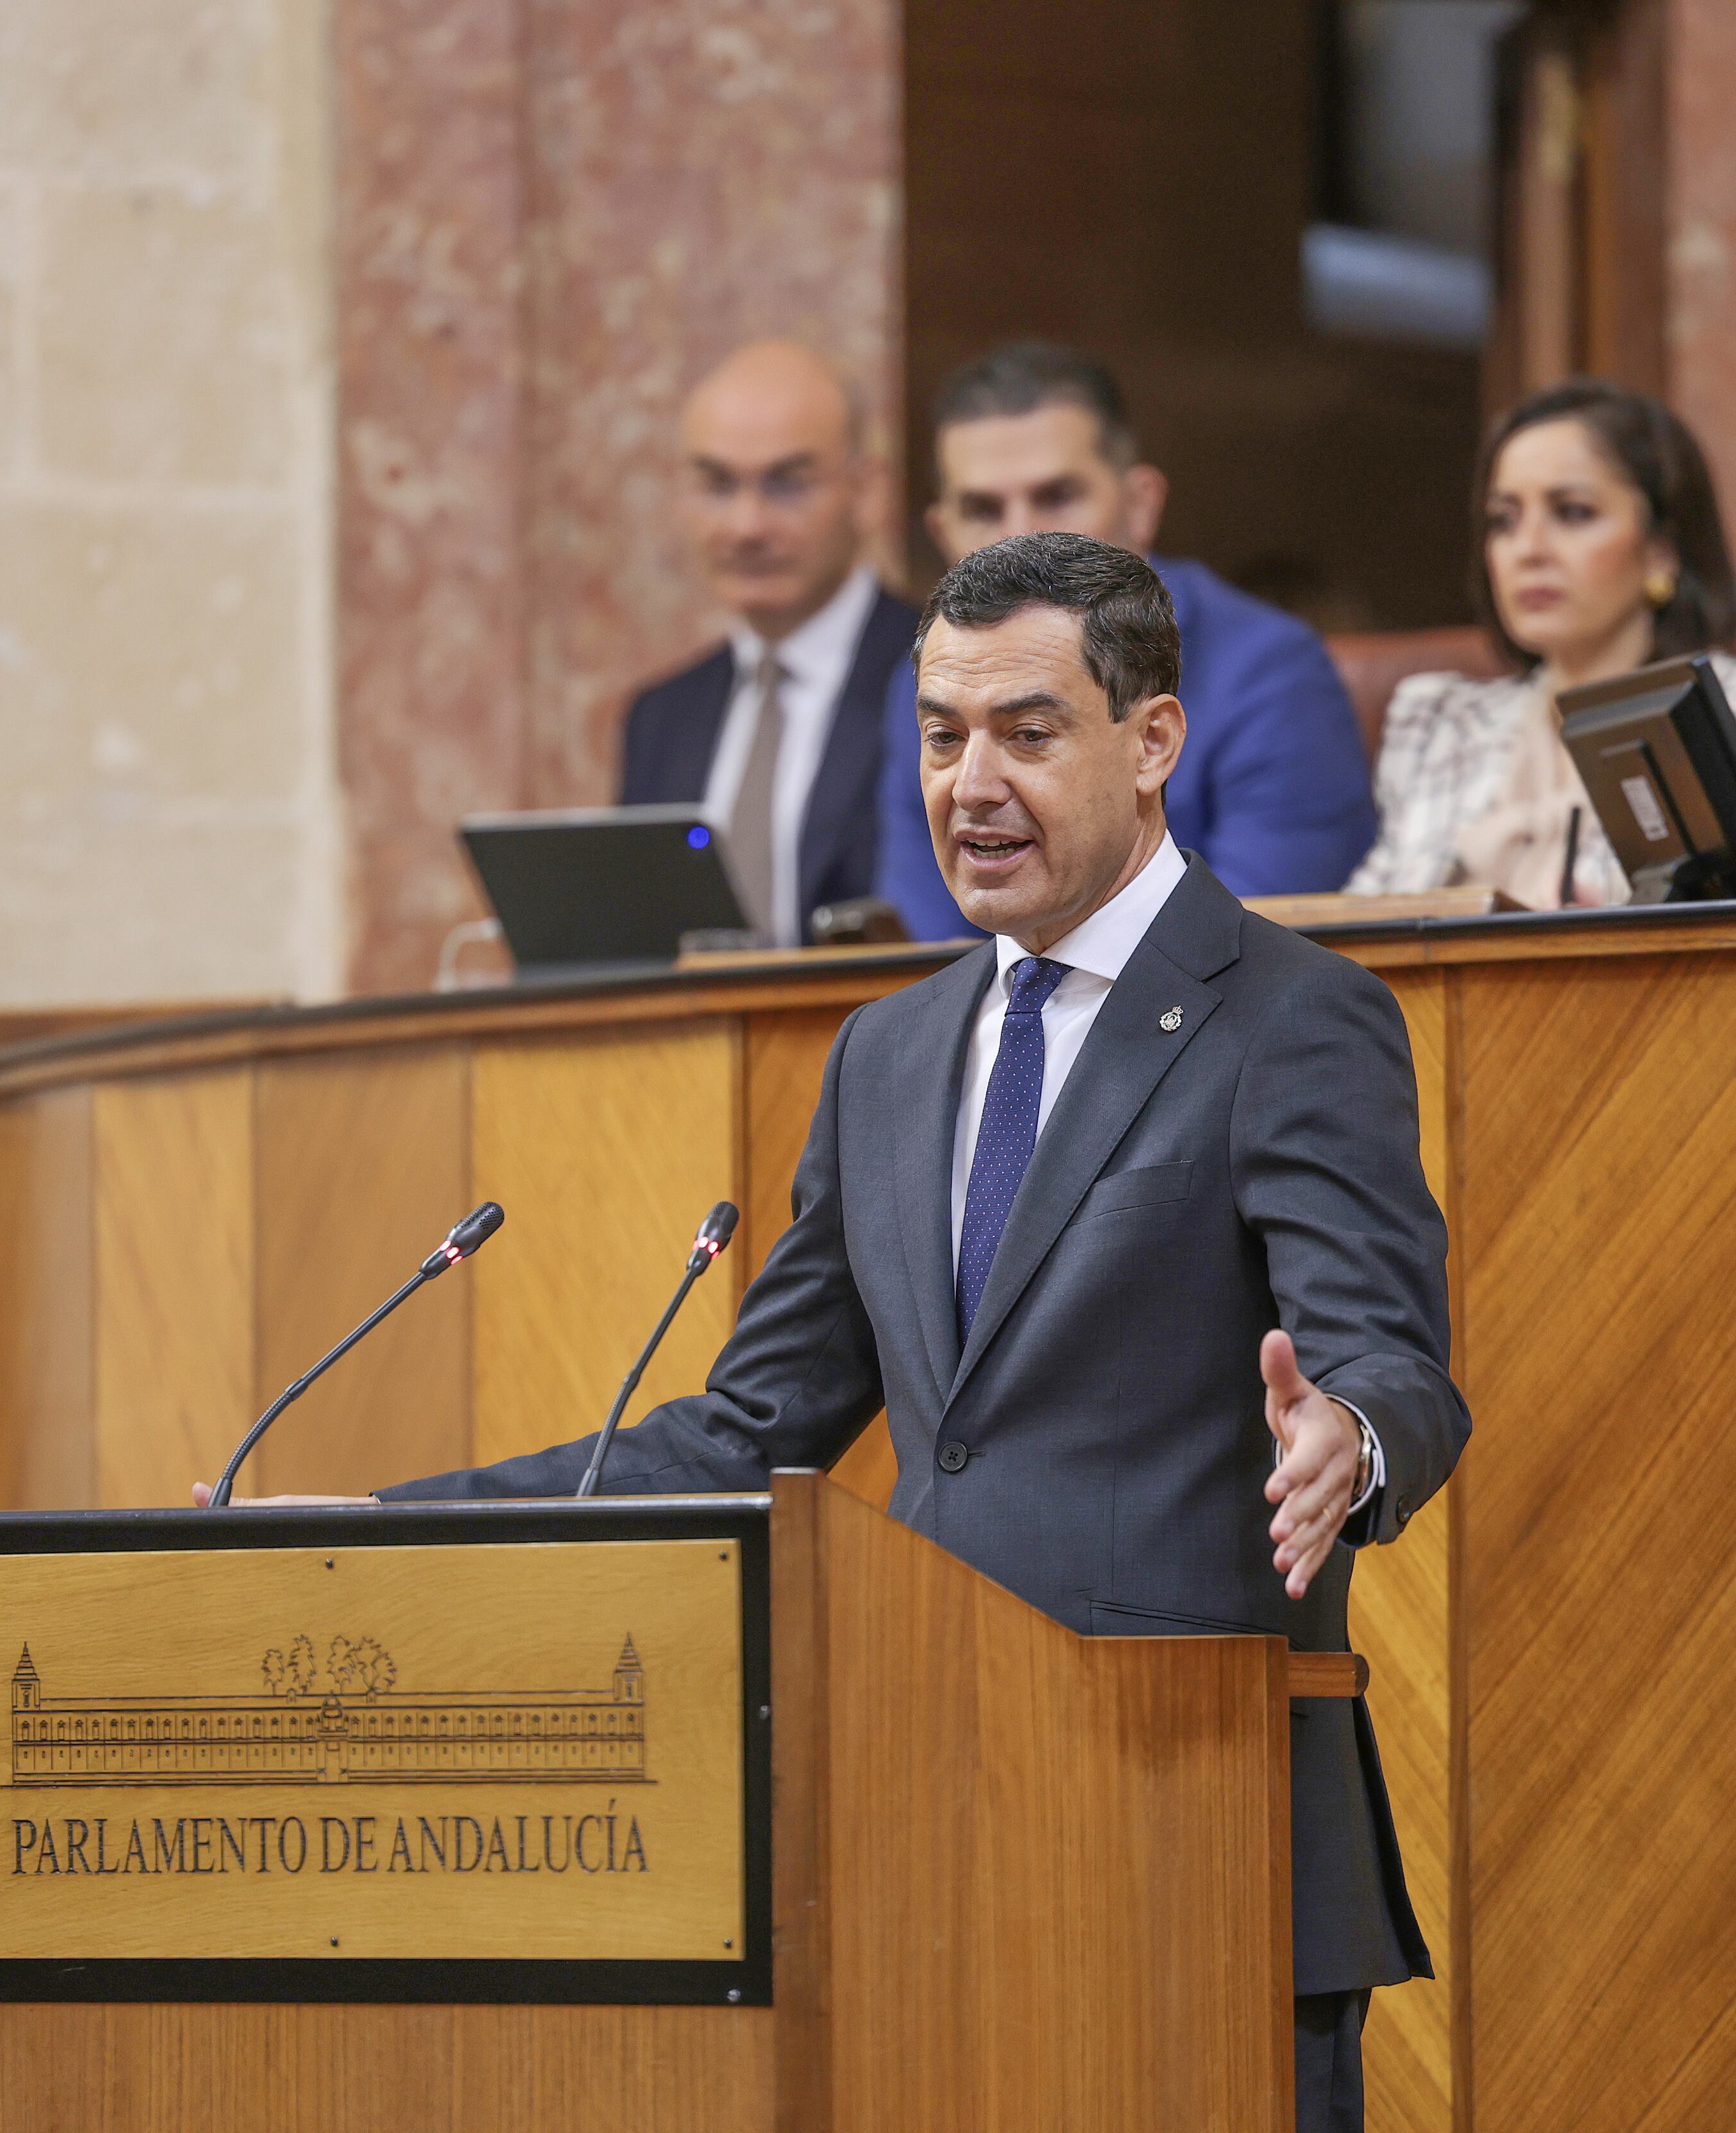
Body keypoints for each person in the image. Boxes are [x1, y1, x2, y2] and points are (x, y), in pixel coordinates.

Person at [211, 532, 1467, 2133]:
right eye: (940, 737)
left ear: (1153, 741)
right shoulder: (889, 1052)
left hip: (1190, 1829)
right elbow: (743, 1435)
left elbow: (1389, 1355)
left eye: (1027, 731)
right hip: (918, 1839)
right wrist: (385, 1529)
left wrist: (1344, 1436)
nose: (971, 783)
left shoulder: (1294, 1017)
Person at [869, 344, 1377, 939]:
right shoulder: (929, 687)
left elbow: (1240, 951)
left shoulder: (1272, 672)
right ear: (941, 532)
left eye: (1057, 497)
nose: (1020, 536)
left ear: (1140, 506)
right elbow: (930, 955)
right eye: (983, 509)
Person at [1344, 380, 1736, 904]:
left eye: (1572, 512)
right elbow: (1353, 932)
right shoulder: (1437, 721)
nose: (1528, 549)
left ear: (1663, 549)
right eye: (1504, 520)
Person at [619, 340, 918, 947]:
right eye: (717, 484)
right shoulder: (661, 718)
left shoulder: (932, 674)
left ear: (867, 489)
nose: (746, 526)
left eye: (787, 484)